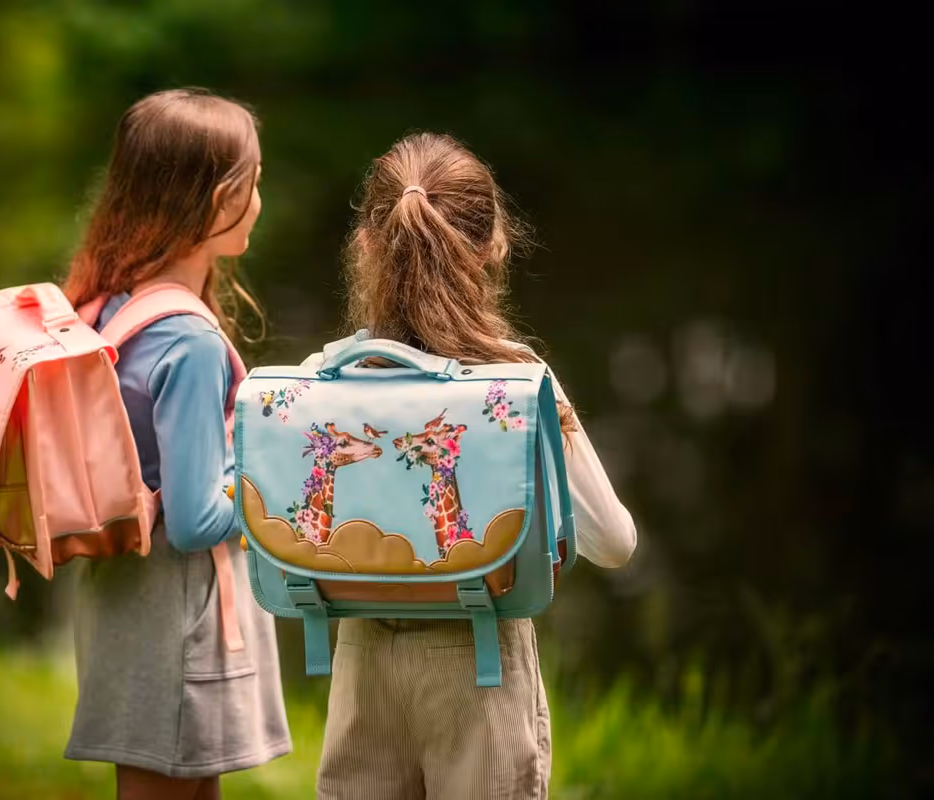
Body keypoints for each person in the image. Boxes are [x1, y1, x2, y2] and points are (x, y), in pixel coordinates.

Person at [313, 132, 637, 800]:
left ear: (367, 246)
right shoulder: (518, 382)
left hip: (361, 661)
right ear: (495, 247)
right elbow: (613, 543)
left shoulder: (327, 376)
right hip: (479, 669)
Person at [61, 88, 290, 800]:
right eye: (253, 183)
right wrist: (269, 471)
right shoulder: (187, 341)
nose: (258, 199)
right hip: (178, 616)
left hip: (125, 601)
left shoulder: (114, 303)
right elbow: (195, 520)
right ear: (220, 197)